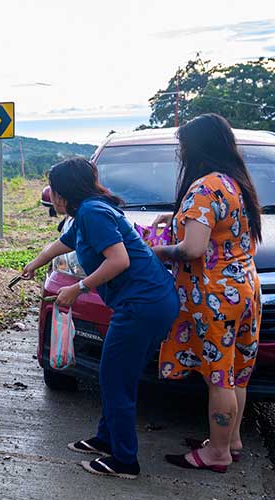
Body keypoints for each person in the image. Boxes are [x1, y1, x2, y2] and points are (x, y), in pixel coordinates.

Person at [22, 157, 178, 479]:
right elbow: (63, 244)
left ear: (65, 192)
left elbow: (118, 260)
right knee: (117, 375)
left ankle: (124, 460)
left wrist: (78, 288)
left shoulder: (93, 212)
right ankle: (106, 438)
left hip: (142, 304)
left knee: (114, 377)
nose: (53, 198)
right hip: (149, 300)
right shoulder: (87, 212)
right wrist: (34, 264)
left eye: (55, 191)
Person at [153, 114, 262, 473]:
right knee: (235, 372)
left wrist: (157, 251)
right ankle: (229, 441)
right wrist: (173, 223)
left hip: (214, 296)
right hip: (245, 288)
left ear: (196, 147)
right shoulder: (236, 184)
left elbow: (193, 250)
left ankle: (216, 454)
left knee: (218, 376)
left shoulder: (203, 188)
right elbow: (223, 234)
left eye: (183, 146)